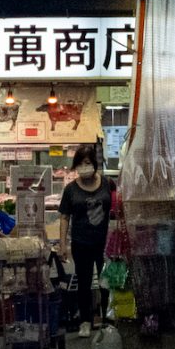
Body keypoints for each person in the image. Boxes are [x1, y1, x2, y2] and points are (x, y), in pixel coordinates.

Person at [57, 144, 116, 338]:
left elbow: (116, 208)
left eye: (88, 163)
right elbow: (64, 217)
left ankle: (108, 319)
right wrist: (63, 244)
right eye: (80, 164)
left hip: (105, 242)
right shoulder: (70, 190)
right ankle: (85, 321)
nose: (84, 167)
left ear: (95, 164)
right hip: (80, 242)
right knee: (83, 283)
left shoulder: (108, 184)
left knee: (106, 281)